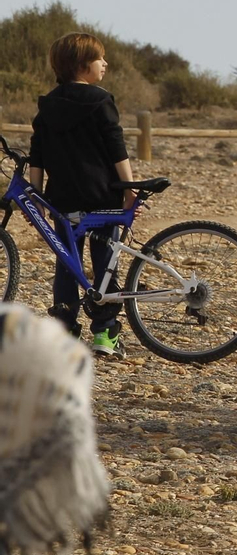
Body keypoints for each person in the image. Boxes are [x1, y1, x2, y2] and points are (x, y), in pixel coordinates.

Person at [28, 33, 136, 357]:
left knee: (66, 265)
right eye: (100, 59)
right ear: (83, 65)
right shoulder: (101, 101)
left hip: (62, 201)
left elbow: (37, 155)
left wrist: (34, 193)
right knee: (105, 265)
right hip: (101, 198)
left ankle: (64, 331)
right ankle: (105, 333)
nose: (105, 63)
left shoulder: (47, 106)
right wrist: (129, 189)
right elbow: (116, 148)